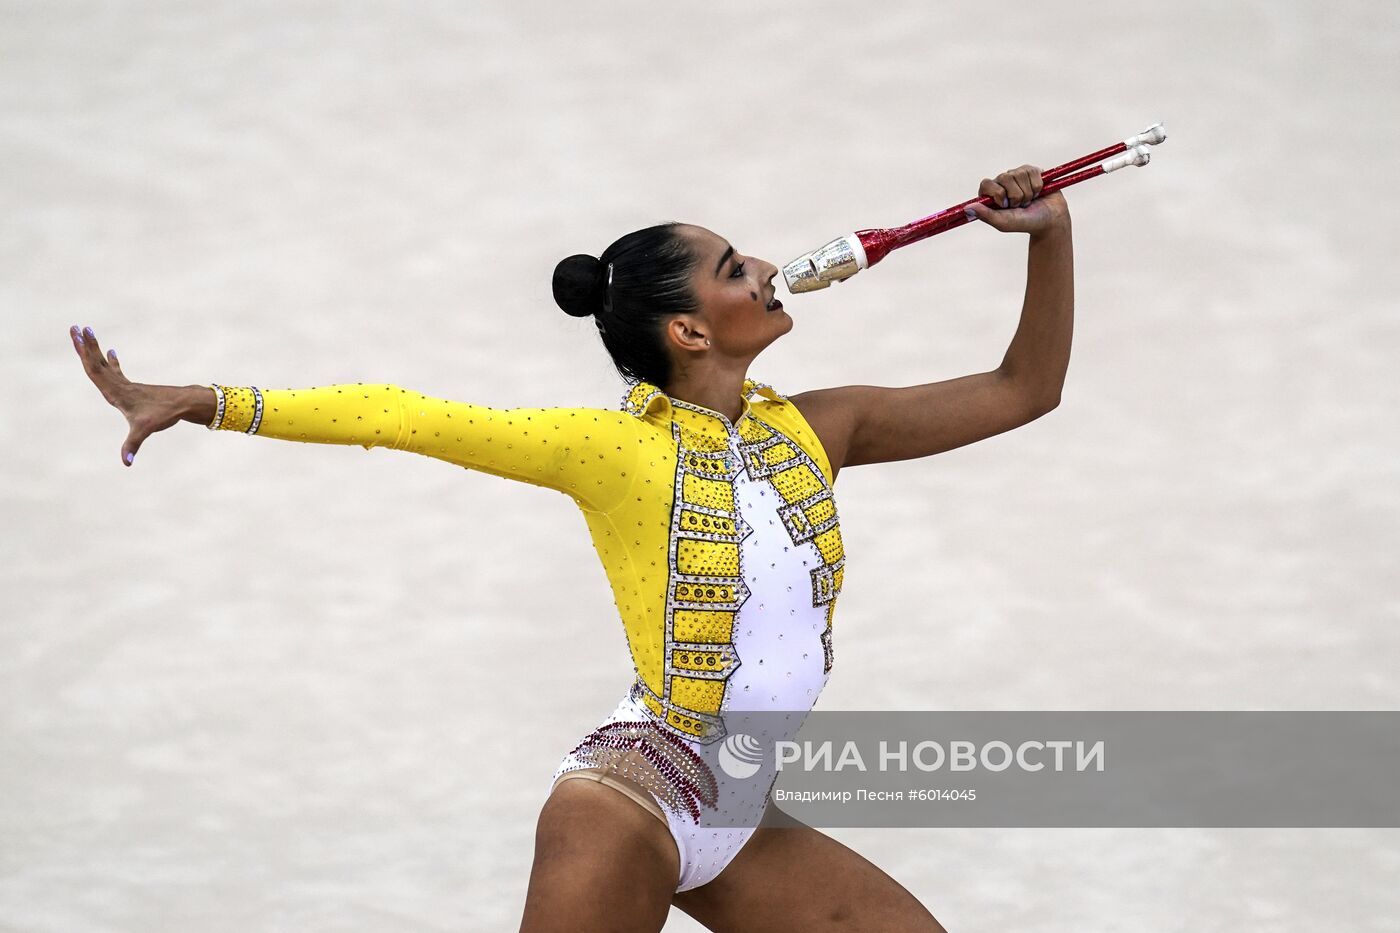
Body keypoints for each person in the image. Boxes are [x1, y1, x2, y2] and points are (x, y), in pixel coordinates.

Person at [73, 165, 1070, 932]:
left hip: (737, 807)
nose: (764, 268)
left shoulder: (820, 427)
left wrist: (1047, 236)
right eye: (733, 268)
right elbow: (401, 415)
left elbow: (1023, 389)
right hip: (628, 800)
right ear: (686, 329)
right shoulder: (609, 449)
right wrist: (199, 401)